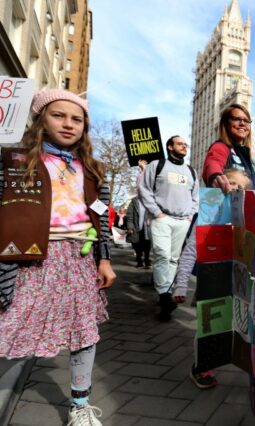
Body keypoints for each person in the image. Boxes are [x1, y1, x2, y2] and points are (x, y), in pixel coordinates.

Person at [0, 89, 116, 425]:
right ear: (40, 119)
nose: (68, 124)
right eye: (58, 115)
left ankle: (79, 407)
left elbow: (101, 218)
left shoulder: (92, 169)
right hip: (31, 261)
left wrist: (104, 260)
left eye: (76, 119)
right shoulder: (16, 160)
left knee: (84, 334)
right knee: (12, 327)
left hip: (79, 260)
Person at [171, 168, 252, 388]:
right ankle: (201, 366)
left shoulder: (248, 217)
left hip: (241, 282)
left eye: (241, 187)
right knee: (210, 325)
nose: (234, 189)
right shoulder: (207, 213)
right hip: (213, 279)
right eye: (231, 182)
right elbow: (190, 251)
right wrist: (181, 285)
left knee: (241, 324)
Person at [138, 135, 199, 321]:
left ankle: (167, 291)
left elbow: (195, 197)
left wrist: (190, 216)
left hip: (182, 221)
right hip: (162, 218)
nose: (184, 147)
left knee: (173, 259)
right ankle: (165, 296)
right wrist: (156, 212)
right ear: (170, 147)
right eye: (180, 144)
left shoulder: (191, 171)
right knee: (162, 255)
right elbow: (144, 189)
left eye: (185, 144)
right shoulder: (156, 165)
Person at [202, 103, 255, 190]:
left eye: (246, 121)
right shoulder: (220, 146)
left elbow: (251, 188)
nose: (242, 123)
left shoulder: (249, 159)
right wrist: (215, 176)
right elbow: (213, 163)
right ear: (226, 124)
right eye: (237, 119)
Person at [126, 196, 151, 269]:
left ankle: (147, 260)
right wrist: (130, 226)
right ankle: (139, 261)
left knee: (147, 244)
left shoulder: (150, 200)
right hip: (136, 227)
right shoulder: (134, 201)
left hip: (147, 227)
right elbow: (129, 215)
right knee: (137, 245)